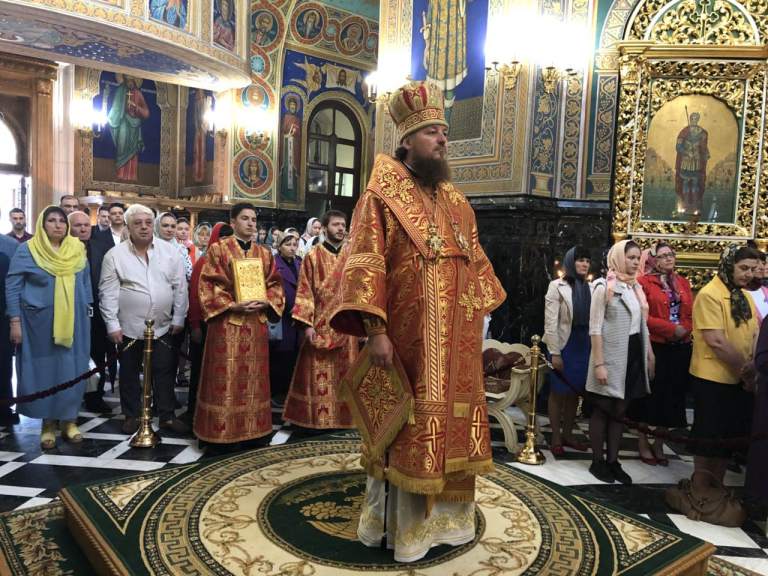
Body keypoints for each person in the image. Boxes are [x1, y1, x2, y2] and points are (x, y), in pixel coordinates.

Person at [330, 80, 506, 563]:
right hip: (408, 344)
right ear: (407, 139)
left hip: (457, 345)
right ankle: (403, 533)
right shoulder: (381, 195)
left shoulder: (456, 201)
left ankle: (448, 525)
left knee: (453, 430)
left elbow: (476, 263)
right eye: (432, 132)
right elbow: (365, 264)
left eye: (444, 131)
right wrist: (376, 331)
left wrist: (480, 318)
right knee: (406, 431)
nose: (442, 139)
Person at [667, 245, 760, 524]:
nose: (749, 274)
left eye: (752, 269)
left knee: (727, 437)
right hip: (712, 378)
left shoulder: (743, 296)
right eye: (743, 268)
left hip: (737, 378)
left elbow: (754, 333)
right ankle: (699, 491)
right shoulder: (710, 294)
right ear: (729, 266)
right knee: (708, 436)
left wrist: (752, 365)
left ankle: (715, 488)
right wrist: (746, 370)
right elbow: (716, 340)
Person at [194, 203, 284, 448]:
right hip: (227, 326)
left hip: (255, 326)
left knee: (254, 380)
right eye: (245, 218)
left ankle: (254, 431)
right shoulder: (218, 250)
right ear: (233, 222)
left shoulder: (264, 253)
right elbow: (208, 285)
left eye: (253, 219)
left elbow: (275, 284)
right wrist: (233, 304)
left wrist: (267, 301)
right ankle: (221, 435)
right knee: (226, 380)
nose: (251, 223)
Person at [99, 204, 189, 435]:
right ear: (128, 226)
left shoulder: (170, 252)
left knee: (164, 370)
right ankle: (131, 415)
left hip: (163, 326)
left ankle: (167, 415)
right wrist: (112, 324)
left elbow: (180, 287)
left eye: (148, 223)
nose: (144, 227)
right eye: (137, 223)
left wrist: (179, 317)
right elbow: (108, 293)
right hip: (128, 327)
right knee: (129, 371)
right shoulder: (114, 255)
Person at [6, 206, 91, 449]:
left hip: (75, 323)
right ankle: (48, 424)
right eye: (51, 220)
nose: (58, 225)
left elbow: (85, 285)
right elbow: (12, 286)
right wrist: (15, 321)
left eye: (62, 221)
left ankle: (70, 421)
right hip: (38, 325)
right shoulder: (28, 250)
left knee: (73, 371)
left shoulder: (77, 249)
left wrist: (87, 313)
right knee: (46, 373)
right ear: (42, 224)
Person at [586, 239, 653, 486]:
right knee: (603, 409)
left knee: (620, 411)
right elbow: (595, 328)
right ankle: (597, 460)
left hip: (632, 354)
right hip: (609, 356)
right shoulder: (604, 286)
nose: (635, 262)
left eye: (637, 258)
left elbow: (642, 325)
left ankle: (613, 460)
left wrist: (649, 354)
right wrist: (599, 364)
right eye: (630, 257)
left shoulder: (636, 288)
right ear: (617, 258)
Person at [283, 210, 357, 429]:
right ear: (324, 229)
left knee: (346, 374)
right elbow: (304, 292)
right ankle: (316, 420)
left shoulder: (352, 256)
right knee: (318, 377)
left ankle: (344, 420)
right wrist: (306, 326)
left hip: (348, 327)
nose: (341, 228)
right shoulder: (313, 256)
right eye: (336, 225)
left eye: (343, 224)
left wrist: (363, 326)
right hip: (319, 326)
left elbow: (360, 291)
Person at [631, 242, 693, 465]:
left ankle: (659, 443)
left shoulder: (682, 282)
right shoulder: (643, 283)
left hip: (680, 347)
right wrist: (669, 329)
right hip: (655, 346)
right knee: (650, 397)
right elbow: (642, 316)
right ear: (653, 260)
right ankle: (642, 442)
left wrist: (684, 329)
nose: (668, 259)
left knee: (671, 397)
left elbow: (690, 314)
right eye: (663, 255)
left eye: (671, 255)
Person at [542, 246, 591, 456]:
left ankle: (568, 434)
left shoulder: (591, 287)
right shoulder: (557, 286)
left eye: (587, 260)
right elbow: (550, 322)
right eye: (580, 260)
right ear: (571, 262)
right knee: (558, 391)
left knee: (575, 392)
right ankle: (555, 436)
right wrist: (555, 352)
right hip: (564, 343)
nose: (584, 264)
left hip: (583, 344)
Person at [184, 222, 233, 427]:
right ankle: (194, 413)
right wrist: (195, 325)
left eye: (228, 239)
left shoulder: (232, 262)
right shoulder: (204, 261)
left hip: (226, 326)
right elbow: (195, 296)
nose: (225, 243)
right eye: (222, 238)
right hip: (205, 325)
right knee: (200, 370)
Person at [269, 231, 301, 408]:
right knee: (281, 355)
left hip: (299, 316)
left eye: (295, 244)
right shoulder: (274, 264)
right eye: (288, 244)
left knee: (294, 355)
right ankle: (277, 393)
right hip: (282, 316)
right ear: (279, 247)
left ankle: (290, 392)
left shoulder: (299, 263)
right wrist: (287, 307)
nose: (292, 248)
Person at [107, 75, 150, 182]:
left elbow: (146, 113)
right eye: (128, 80)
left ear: (135, 81)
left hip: (134, 126)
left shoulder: (138, 94)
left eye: (132, 81)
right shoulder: (120, 91)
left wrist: (136, 106)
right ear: (125, 80)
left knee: (133, 152)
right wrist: (113, 116)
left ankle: (131, 176)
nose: (130, 83)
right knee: (121, 147)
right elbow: (116, 107)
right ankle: (120, 175)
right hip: (123, 123)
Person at [0, 215, 17, 426]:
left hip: (2, 316)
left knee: (3, 363)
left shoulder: (10, 246)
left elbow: (15, 283)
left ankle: (4, 407)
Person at [154, 212, 193, 281]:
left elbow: (189, 275)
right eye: (165, 225)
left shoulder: (181, 250)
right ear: (157, 226)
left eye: (173, 226)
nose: (169, 230)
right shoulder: (149, 248)